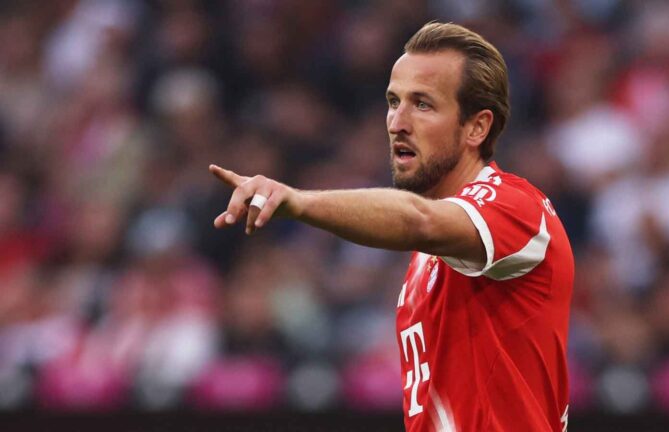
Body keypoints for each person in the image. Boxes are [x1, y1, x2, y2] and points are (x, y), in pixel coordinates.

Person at [210, 22, 574, 432]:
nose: (397, 122)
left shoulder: (516, 206)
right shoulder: (427, 258)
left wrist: (298, 202)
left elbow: (419, 220)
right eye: (393, 101)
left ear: (477, 127)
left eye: (423, 104)